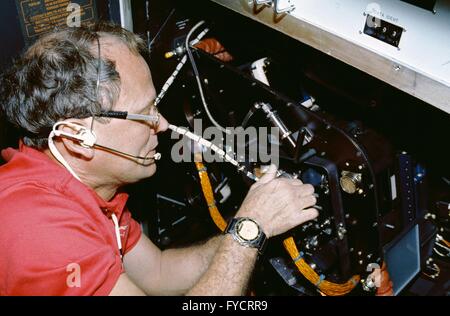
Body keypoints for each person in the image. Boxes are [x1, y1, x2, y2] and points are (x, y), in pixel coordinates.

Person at [0, 22, 318, 296]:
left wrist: (252, 225)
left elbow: (159, 273)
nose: (163, 124)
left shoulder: (83, 190)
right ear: (77, 137)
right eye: (145, 113)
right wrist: (250, 230)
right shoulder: (39, 229)